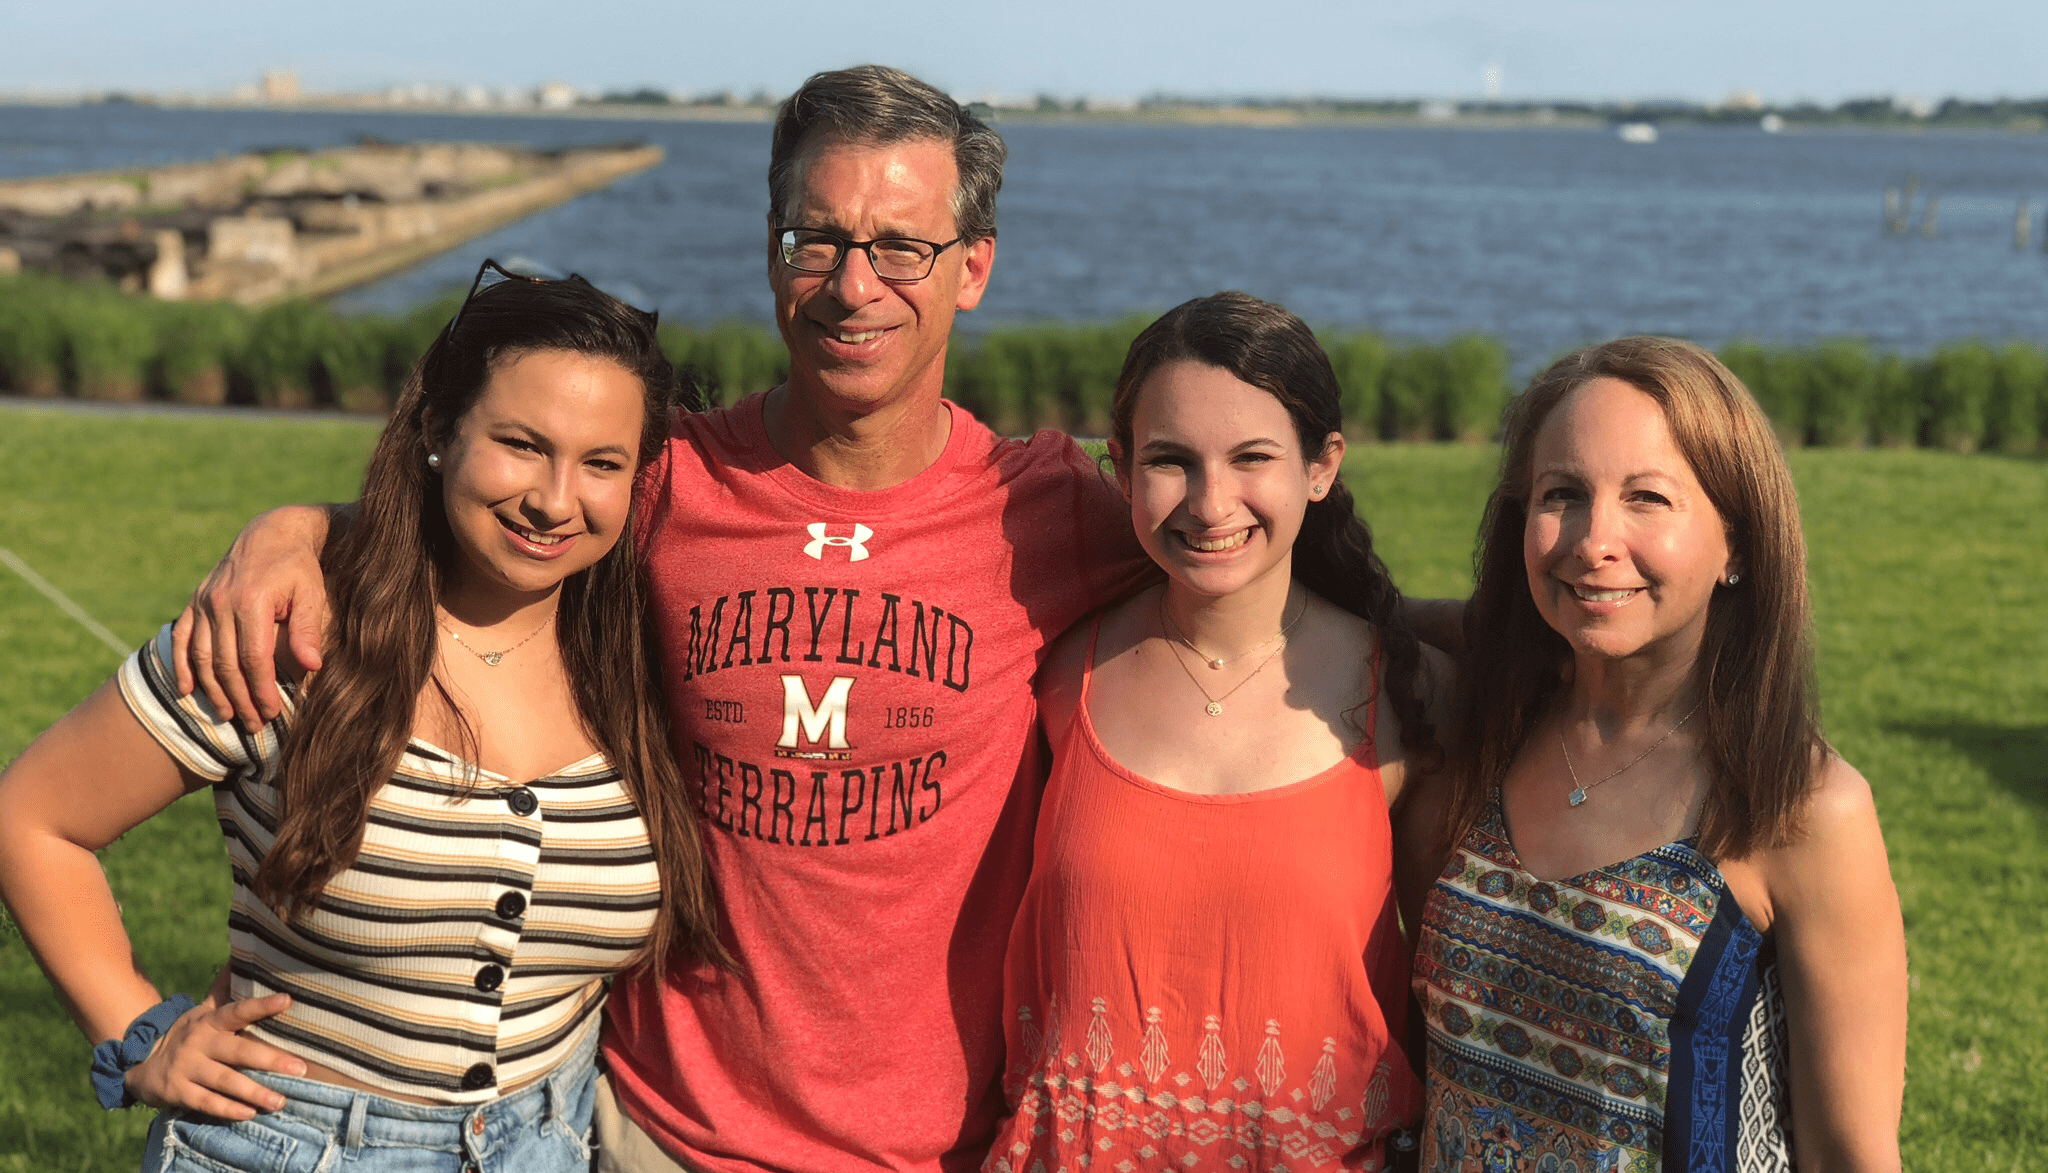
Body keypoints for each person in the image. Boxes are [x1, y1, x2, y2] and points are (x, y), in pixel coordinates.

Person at [167, 66, 1151, 1172]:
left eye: (900, 248)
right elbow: (491, 520)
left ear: (971, 268)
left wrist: (1390, 653)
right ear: (772, 248)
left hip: (934, 1147)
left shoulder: (1051, 510)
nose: (850, 285)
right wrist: (299, 529)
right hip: (648, 1132)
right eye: (814, 239)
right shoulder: (670, 484)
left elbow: (1239, 585)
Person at [0, 263, 722, 1172]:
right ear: (436, 428)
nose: (554, 498)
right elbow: (32, 816)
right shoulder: (290, 636)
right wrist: (139, 1035)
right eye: (522, 444)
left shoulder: (639, 663)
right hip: (290, 1145)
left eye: (602, 463)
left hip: (553, 1140)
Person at [1401, 337, 1906, 1172]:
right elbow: (1366, 622)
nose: (1594, 540)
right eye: (1562, 494)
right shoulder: (1489, 718)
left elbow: (1852, 1157)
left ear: (1736, 545)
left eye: (1647, 498)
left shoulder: (1800, 806)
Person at [985, 293, 1446, 1173]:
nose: (1209, 500)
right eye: (1170, 460)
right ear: (1120, 468)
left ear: (1321, 465)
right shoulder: (1050, 676)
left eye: (1251, 457)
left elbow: (1450, 999)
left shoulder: (1406, 700)